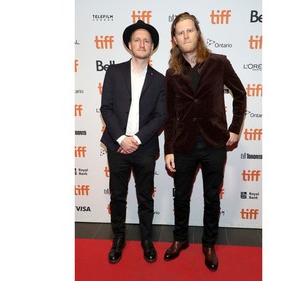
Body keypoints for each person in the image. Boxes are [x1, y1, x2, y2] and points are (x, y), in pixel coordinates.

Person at [163, 12, 247, 271]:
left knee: (212, 197)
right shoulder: (172, 73)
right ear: (174, 40)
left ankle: (208, 244)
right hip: (184, 144)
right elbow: (169, 115)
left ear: (197, 33)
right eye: (180, 32)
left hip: (214, 143)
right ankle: (180, 239)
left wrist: (234, 129)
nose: (185, 35)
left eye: (190, 30)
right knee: (181, 198)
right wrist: (168, 149)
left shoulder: (219, 63)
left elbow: (240, 94)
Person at [100, 20, 166, 264]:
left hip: (144, 148)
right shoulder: (113, 72)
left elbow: (161, 116)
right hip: (117, 146)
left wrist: (136, 139)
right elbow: (106, 107)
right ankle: (118, 238)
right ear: (129, 44)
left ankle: (147, 240)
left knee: (145, 197)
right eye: (137, 40)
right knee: (118, 196)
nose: (142, 43)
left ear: (152, 48)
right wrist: (121, 138)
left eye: (147, 41)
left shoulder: (159, 79)